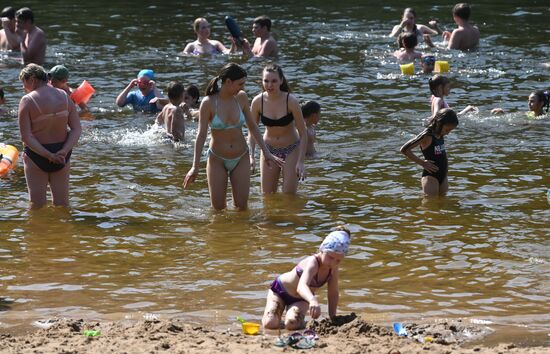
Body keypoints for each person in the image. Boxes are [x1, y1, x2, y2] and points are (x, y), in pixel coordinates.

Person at [183, 63, 282, 211]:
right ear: (228, 82)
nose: (243, 88)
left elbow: (253, 126)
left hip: (241, 157)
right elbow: (201, 135)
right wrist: (194, 167)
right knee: (218, 210)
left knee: (242, 208)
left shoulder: (241, 98)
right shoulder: (209, 102)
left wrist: (266, 152)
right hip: (217, 159)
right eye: (240, 84)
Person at [17, 64, 81, 209]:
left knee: (36, 206)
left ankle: (39, 231)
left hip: (37, 155)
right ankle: (64, 230)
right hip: (62, 154)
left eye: (24, 82)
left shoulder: (27, 100)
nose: (23, 87)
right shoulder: (64, 96)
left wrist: (48, 155)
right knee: (63, 205)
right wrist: (64, 151)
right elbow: (76, 129)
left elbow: (26, 137)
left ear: (32, 79)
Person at [262, 226, 351, 330]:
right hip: (280, 291)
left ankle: (295, 322)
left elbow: (333, 293)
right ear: (322, 249)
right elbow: (301, 286)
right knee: (270, 323)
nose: (332, 263)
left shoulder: (333, 268)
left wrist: (333, 318)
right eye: (330, 257)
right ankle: (275, 319)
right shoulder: (313, 262)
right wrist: (313, 300)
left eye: (338, 260)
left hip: (301, 299)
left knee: (291, 324)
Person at [250, 64, 307, 194]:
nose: (270, 85)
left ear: (281, 81)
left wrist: (301, 162)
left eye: (274, 81)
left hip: (291, 149)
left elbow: (303, 133)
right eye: (266, 81)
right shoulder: (257, 102)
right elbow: (252, 131)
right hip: (268, 150)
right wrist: (251, 155)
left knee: (289, 195)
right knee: (267, 195)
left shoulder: (291, 101)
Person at [400, 108, 458, 197]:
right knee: (429, 205)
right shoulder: (427, 135)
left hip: (443, 175)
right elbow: (404, 149)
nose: (448, 133)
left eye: (450, 130)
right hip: (431, 176)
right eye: (447, 130)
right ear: (439, 123)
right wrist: (422, 163)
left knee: (442, 202)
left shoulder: (440, 134)